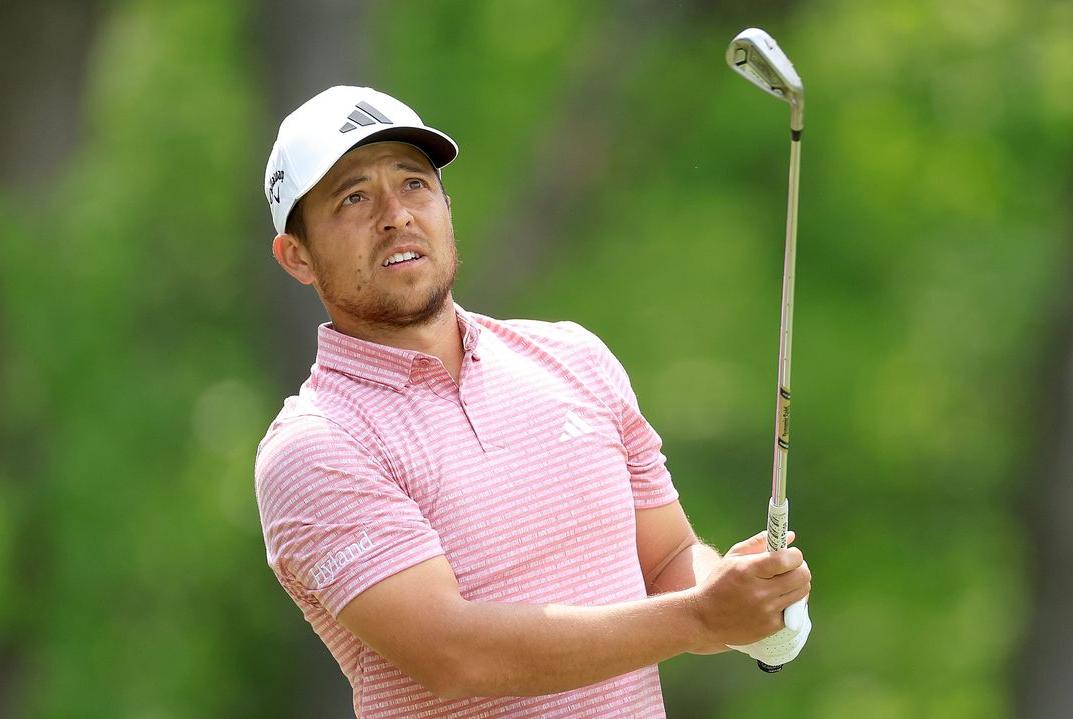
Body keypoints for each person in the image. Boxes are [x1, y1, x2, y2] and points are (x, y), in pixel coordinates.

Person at [254, 85, 812, 719]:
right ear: (296, 255)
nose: (396, 214)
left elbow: (664, 559)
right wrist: (701, 618)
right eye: (354, 197)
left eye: (414, 184)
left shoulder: (573, 357)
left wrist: (740, 597)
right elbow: (454, 656)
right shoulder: (317, 445)